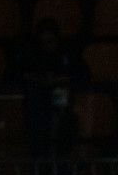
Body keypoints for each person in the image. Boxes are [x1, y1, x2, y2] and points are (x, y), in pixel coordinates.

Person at [12, 18, 90, 158]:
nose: (47, 43)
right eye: (44, 40)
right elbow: (15, 74)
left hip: (63, 116)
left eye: (50, 39)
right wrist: (36, 79)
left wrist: (60, 79)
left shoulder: (67, 53)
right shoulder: (31, 54)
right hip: (36, 117)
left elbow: (83, 73)